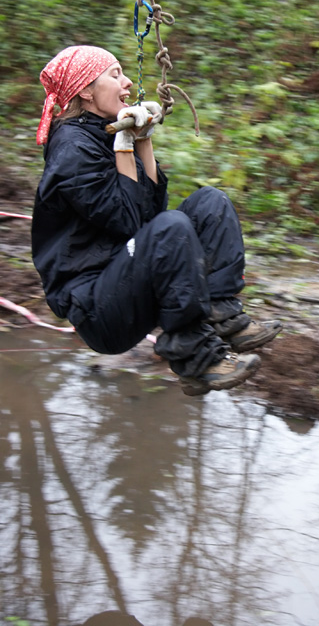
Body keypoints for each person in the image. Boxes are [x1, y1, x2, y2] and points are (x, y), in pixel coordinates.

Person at [31, 45, 281, 396]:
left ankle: (224, 315)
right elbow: (132, 222)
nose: (128, 82)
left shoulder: (101, 131)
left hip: (130, 280)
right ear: (86, 90)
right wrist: (123, 145)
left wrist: (142, 142)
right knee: (173, 227)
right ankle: (196, 360)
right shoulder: (72, 148)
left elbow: (151, 212)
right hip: (99, 310)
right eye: (115, 75)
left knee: (211, 203)